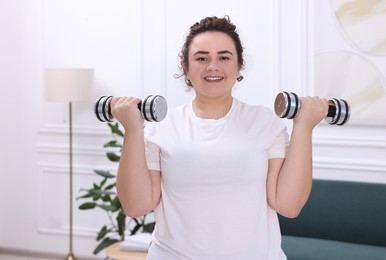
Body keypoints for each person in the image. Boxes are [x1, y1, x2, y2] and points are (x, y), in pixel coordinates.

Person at [110, 16, 328, 260]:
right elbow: (135, 206)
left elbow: (288, 205)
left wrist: (304, 127)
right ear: (186, 67)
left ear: (238, 67)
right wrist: (132, 130)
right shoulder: (160, 127)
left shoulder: (265, 123)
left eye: (224, 57)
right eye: (201, 58)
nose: (212, 66)